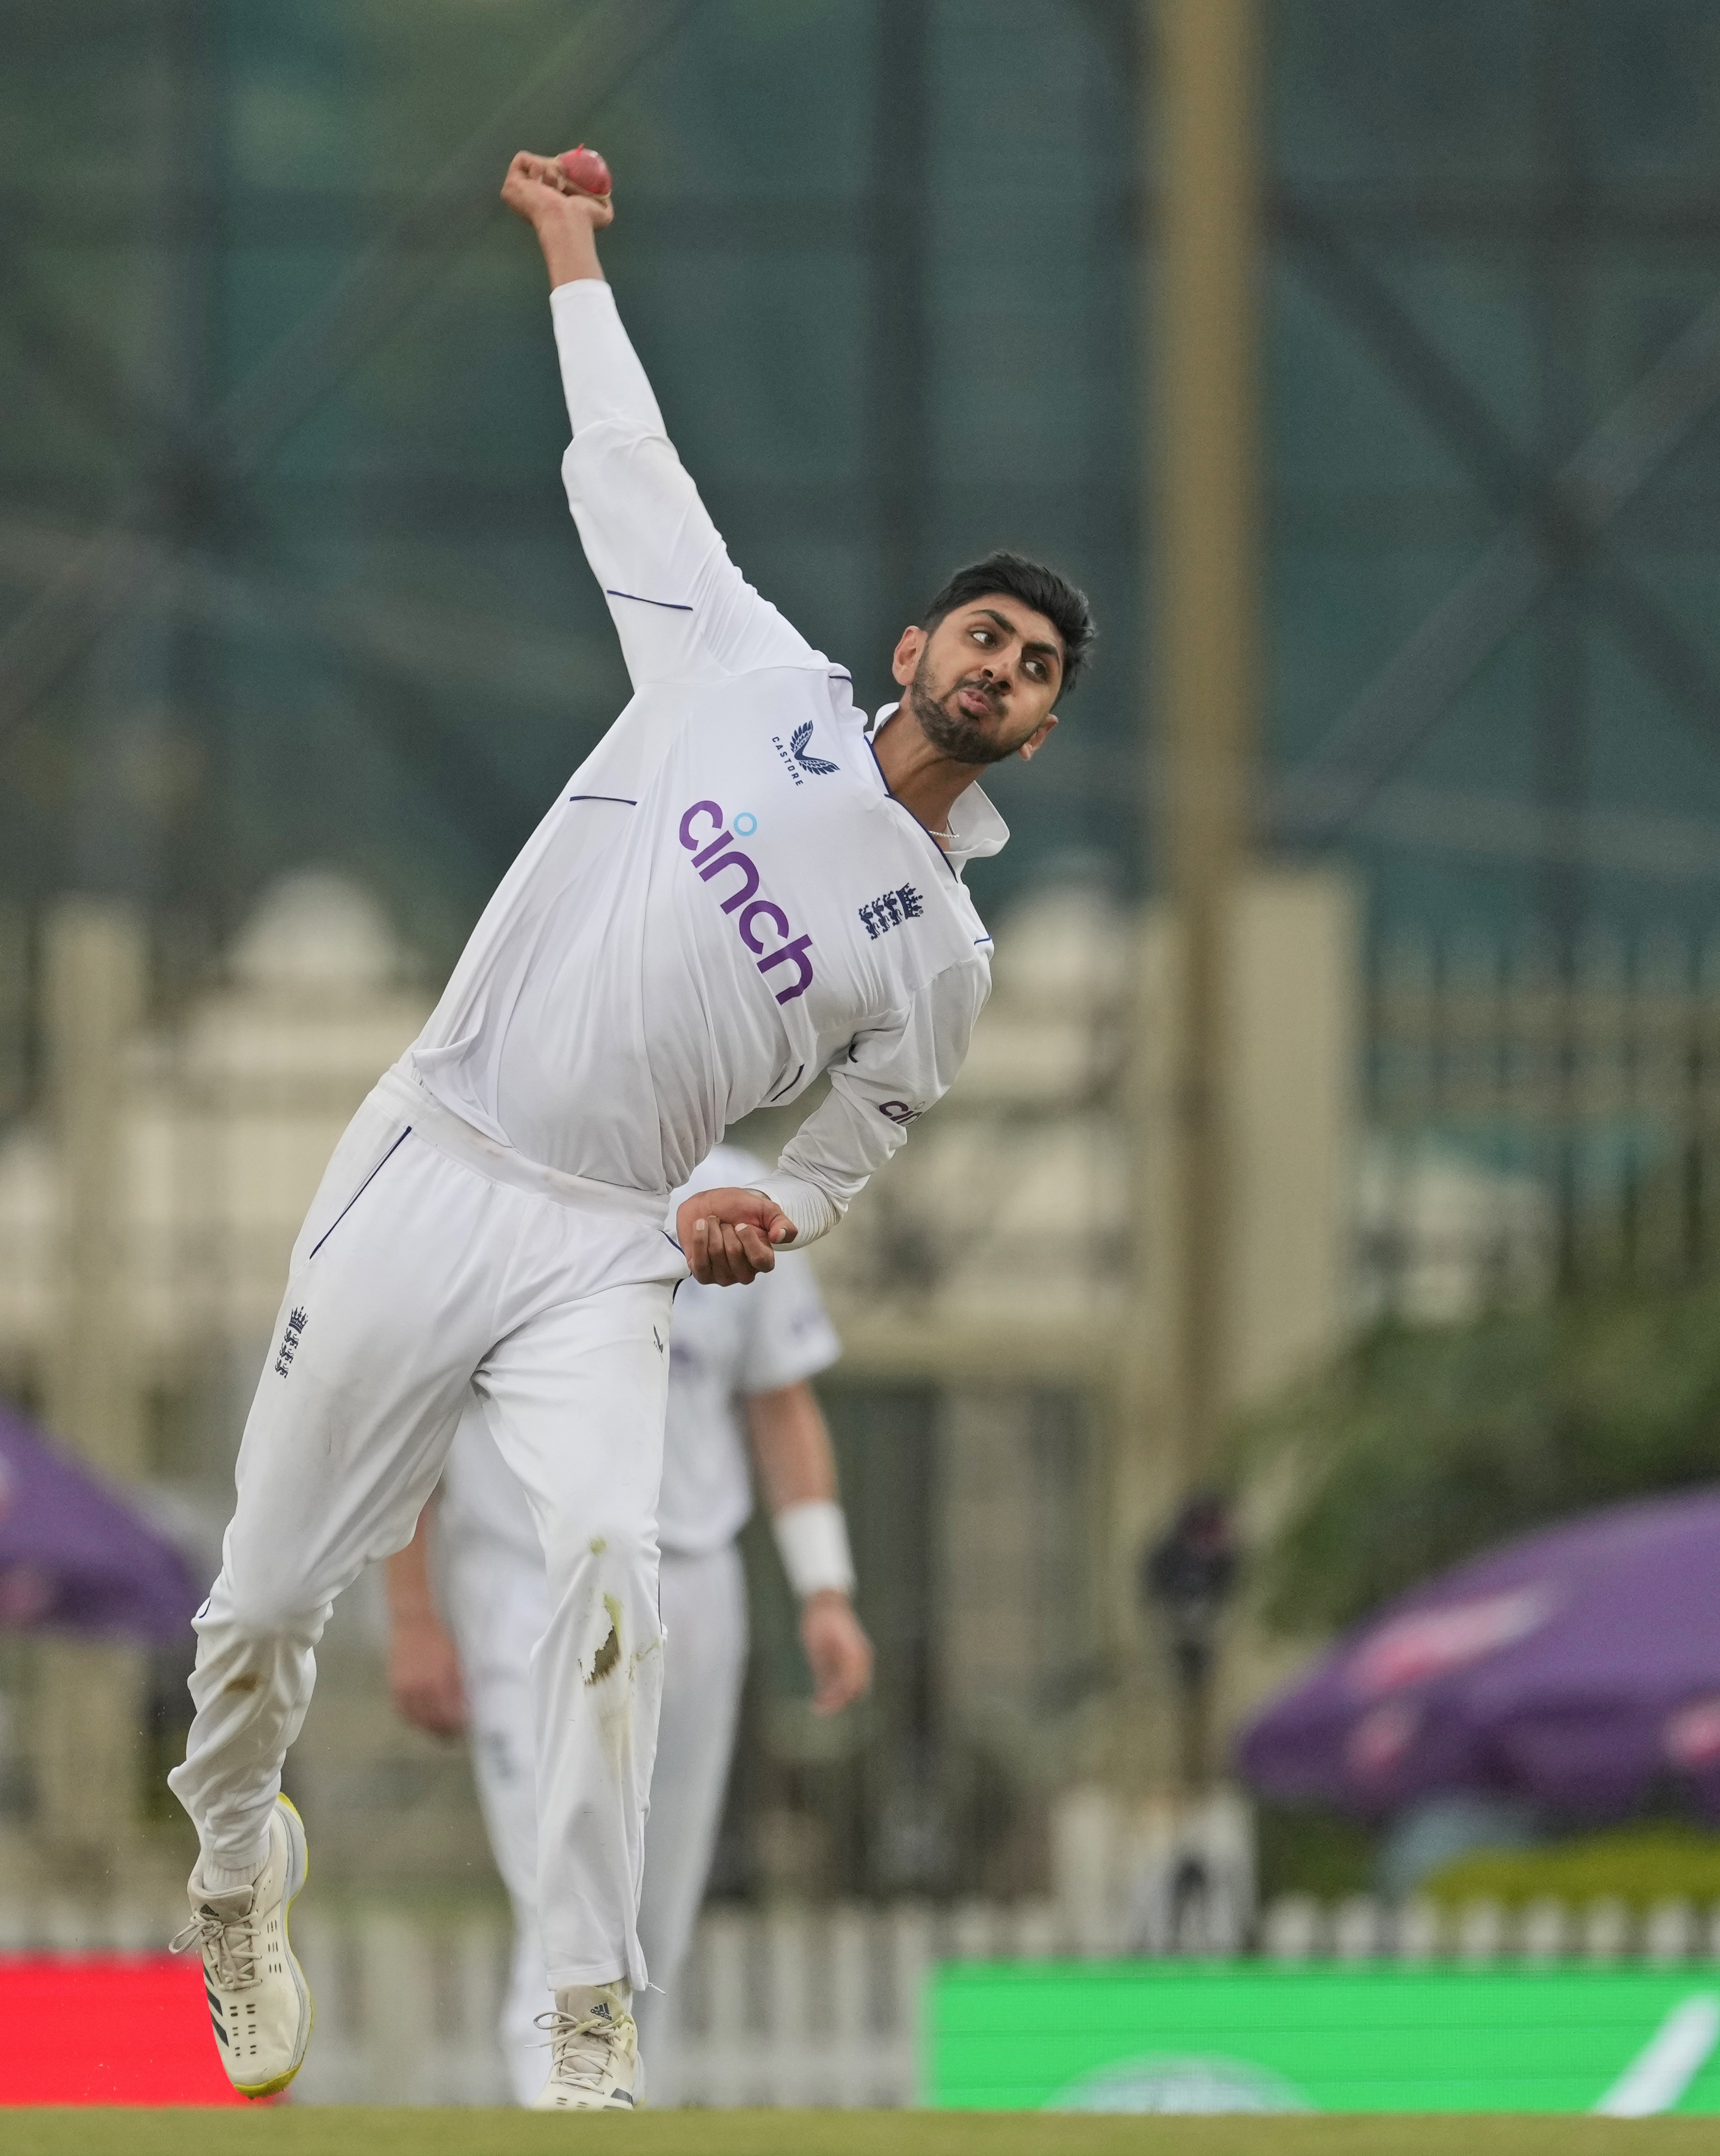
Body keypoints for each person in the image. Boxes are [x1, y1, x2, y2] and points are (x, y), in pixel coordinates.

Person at [167, 145, 1089, 2110]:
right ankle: (237, 1868)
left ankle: (590, 2006)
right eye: (985, 636)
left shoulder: (943, 949)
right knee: (258, 1602)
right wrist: (571, 250)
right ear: (916, 646)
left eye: (1038, 669)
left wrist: (761, 1202)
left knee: (614, 1558)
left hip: (608, 1240)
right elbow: (623, 464)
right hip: (434, 1157)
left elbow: (851, 1146)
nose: (1001, 670)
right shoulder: (738, 666)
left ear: (1039, 729)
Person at [384, 1140, 871, 2105]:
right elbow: (416, 1426)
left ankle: (633, 2112)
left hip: (693, 1582)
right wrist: (412, 1616)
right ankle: (560, 2108)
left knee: (657, 1919)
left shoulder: (738, 1191)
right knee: (560, 1894)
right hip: (531, 1582)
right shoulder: (486, 1188)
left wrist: (824, 1588)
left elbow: (780, 1403)